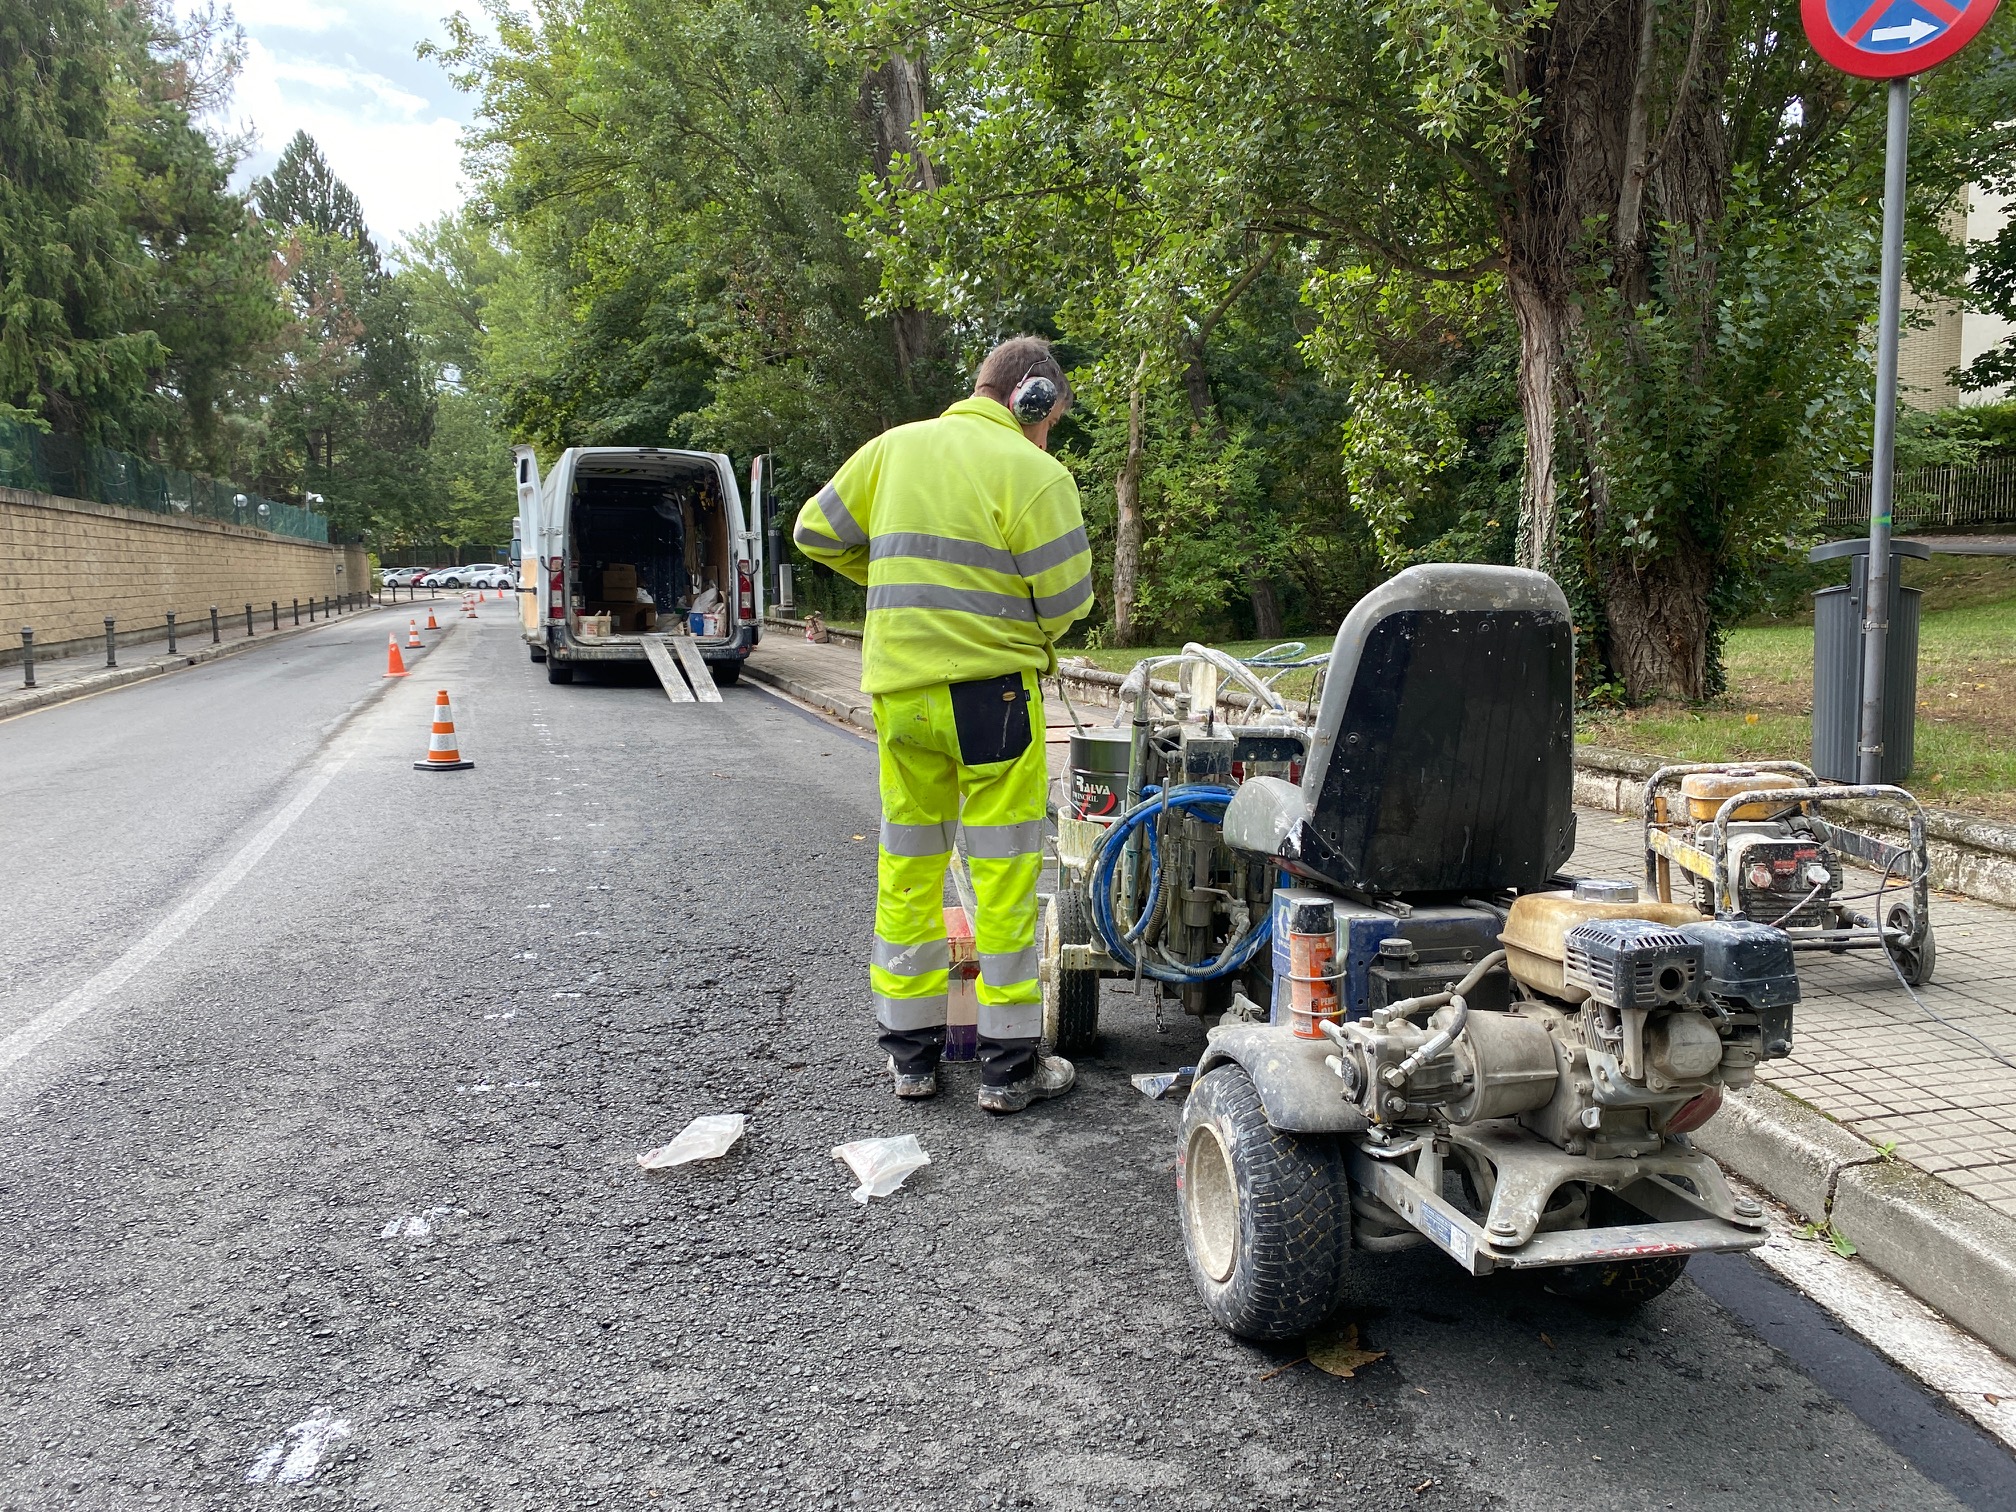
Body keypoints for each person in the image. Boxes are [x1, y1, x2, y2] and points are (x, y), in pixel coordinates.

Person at [793, 336, 1095, 1113]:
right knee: (1001, 880)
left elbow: (814, 533)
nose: (1049, 433)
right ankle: (1007, 1072)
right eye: (1051, 418)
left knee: (909, 871)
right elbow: (1068, 604)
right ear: (1031, 399)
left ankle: (912, 1062)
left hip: (900, 697)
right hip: (989, 700)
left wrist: (896, 578)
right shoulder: (1036, 473)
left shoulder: (893, 451)